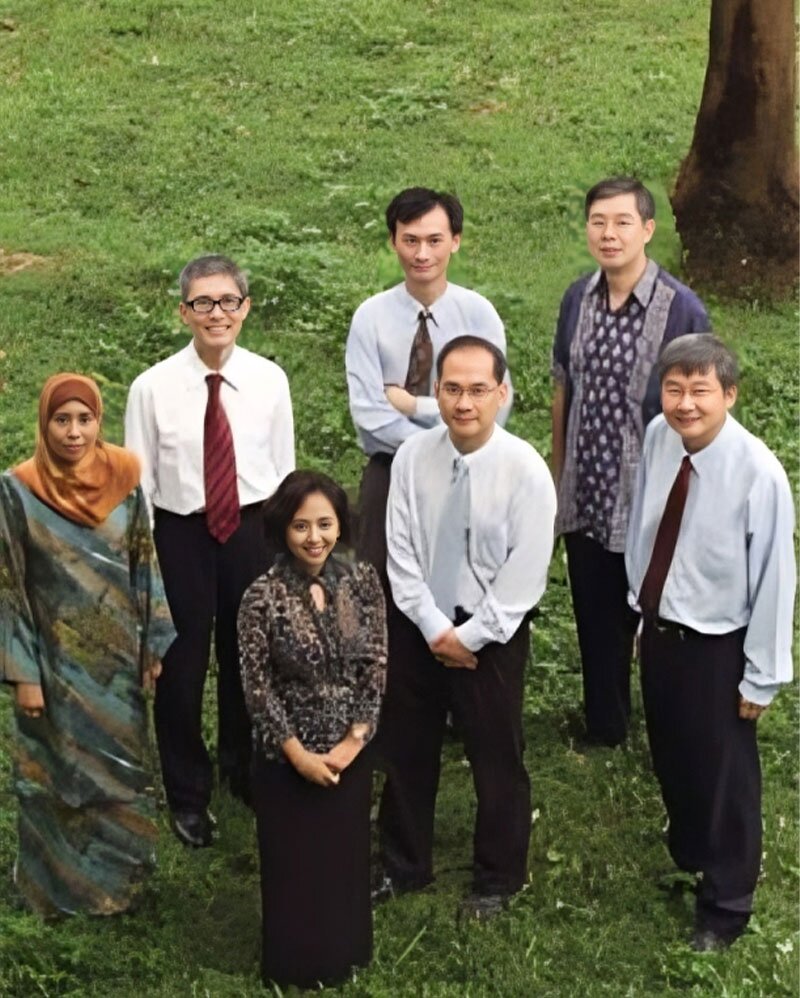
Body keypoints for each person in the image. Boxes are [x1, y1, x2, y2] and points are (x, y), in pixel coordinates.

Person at [625, 335, 795, 950]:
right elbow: (646, 525)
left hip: (719, 645)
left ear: (729, 394)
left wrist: (761, 675)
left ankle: (726, 904)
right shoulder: (659, 437)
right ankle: (692, 855)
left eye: (701, 390)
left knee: (725, 778)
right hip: (662, 628)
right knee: (673, 754)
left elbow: (775, 576)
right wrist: (642, 611)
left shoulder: (758, 473)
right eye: (674, 389)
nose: (685, 404)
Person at [379, 336, 556, 918]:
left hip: (492, 636)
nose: (464, 403)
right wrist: (435, 629)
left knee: (496, 756)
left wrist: (469, 637)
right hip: (420, 623)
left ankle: (498, 878)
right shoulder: (412, 458)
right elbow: (401, 555)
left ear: (501, 394)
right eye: (452, 389)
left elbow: (523, 577)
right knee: (407, 748)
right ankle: (403, 864)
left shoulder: (526, 472)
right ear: (435, 392)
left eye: (479, 390)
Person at [124, 254, 294, 847]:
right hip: (182, 533)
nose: (215, 313)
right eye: (202, 302)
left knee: (249, 657)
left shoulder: (270, 381)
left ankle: (242, 768)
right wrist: (144, 562)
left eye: (227, 301)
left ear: (245, 308)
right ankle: (187, 792)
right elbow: (139, 484)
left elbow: (284, 469)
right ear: (183, 312)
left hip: (251, 529)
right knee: (181, 667)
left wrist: (286, 547)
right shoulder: (151, 388)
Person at [0, 373, 175, 917]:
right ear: (44, 423)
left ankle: (119, 887)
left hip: (114, 664)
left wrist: (152, 644)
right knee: (55, 771)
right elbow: (7, 585)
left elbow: (145, 564)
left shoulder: (125, 482)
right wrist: (23, 673)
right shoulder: (18, 490)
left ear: (99, 421)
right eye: (62, 420)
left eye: (85, 419)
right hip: (50, 660)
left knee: (117, 768)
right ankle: (57, 891)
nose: (74, 432)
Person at [550, 176, 710, 747]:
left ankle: (673, 730)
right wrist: (559, 471)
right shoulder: (577, 299)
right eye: (598, 222)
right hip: (587, 489)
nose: (609, 234)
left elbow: (701, 405)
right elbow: (563, 387)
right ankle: (606, 724)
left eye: (622, 222)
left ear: (647, 229)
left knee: (658, 617)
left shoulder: (681, 310)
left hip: (650, 496)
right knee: (594, 614)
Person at [237, 471, 387, 989]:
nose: (314, 537)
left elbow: (375, 663)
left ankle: (347, 956)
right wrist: (297, 755)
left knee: (343, 861)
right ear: (283, 529)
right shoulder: (260, 597)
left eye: (325, 524)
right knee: (295, 866)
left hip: (350, 754)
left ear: (340, 525)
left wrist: (354, 740)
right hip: (286, 759)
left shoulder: (362, 581)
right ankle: (296, 967)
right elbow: (257, 688)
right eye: (301, 526)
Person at [346, 186, 511, 584]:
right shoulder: (370, 317)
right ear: (393, 241)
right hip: (390, 470)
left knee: (459, 582)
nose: (422, 254)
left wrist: (414, 407)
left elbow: (493, 405)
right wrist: (437, 442)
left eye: (434, 240)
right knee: (378, 585)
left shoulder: (479, 315)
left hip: (467, 468)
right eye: (411, 240)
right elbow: (369, 413)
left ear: (455, 241)